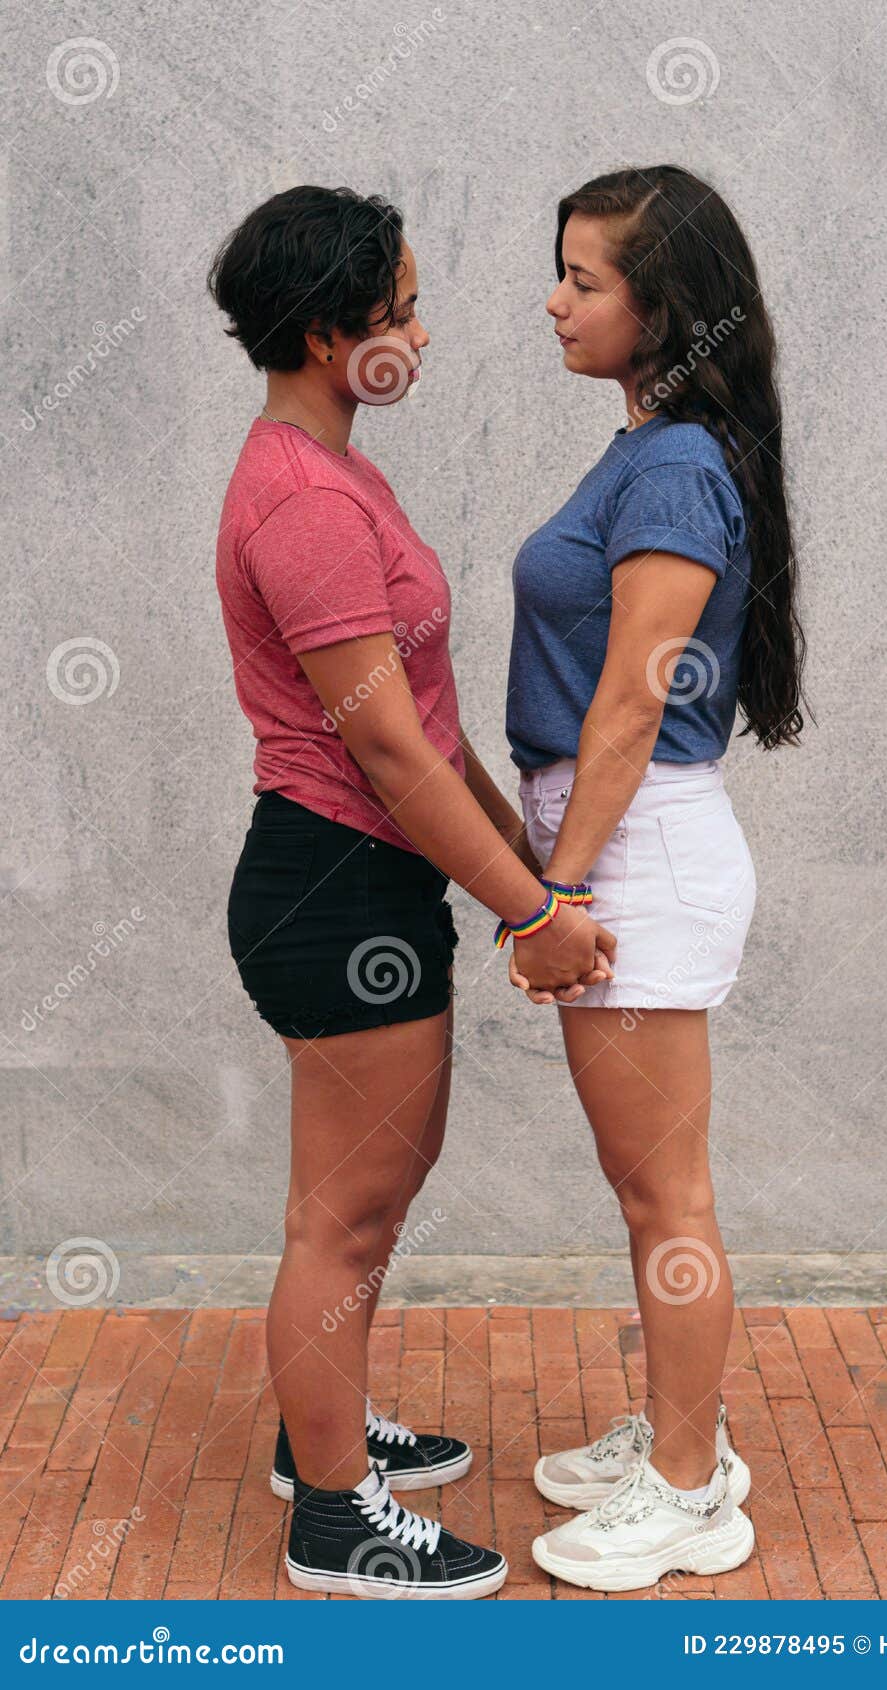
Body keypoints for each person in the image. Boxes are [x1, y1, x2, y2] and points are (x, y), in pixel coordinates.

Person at [208, 185, 615, 1598]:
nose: (421, 333)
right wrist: (529, 912)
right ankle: (335, 1512)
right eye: (399, 312)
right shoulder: (305, 499)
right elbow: (384, 747)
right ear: (330, 335)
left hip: (366, 881)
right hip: (336, 887)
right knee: (347, 1216)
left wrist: (531, 874)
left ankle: (318, 1426)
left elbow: (427, 727)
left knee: (363, 1200)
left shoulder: (337, 469)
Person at [504, 165, 807, 1593]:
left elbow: (631, 703)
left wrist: (555, 892)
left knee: (667, 1197)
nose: (554, 302)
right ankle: (686, 1437)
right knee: (651, 1192)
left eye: (586, 279)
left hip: (634, 849)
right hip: (611, 837)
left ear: (663, 305)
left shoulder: (676, 463)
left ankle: (693, 1490)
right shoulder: (651, 449)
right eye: (560, 273)